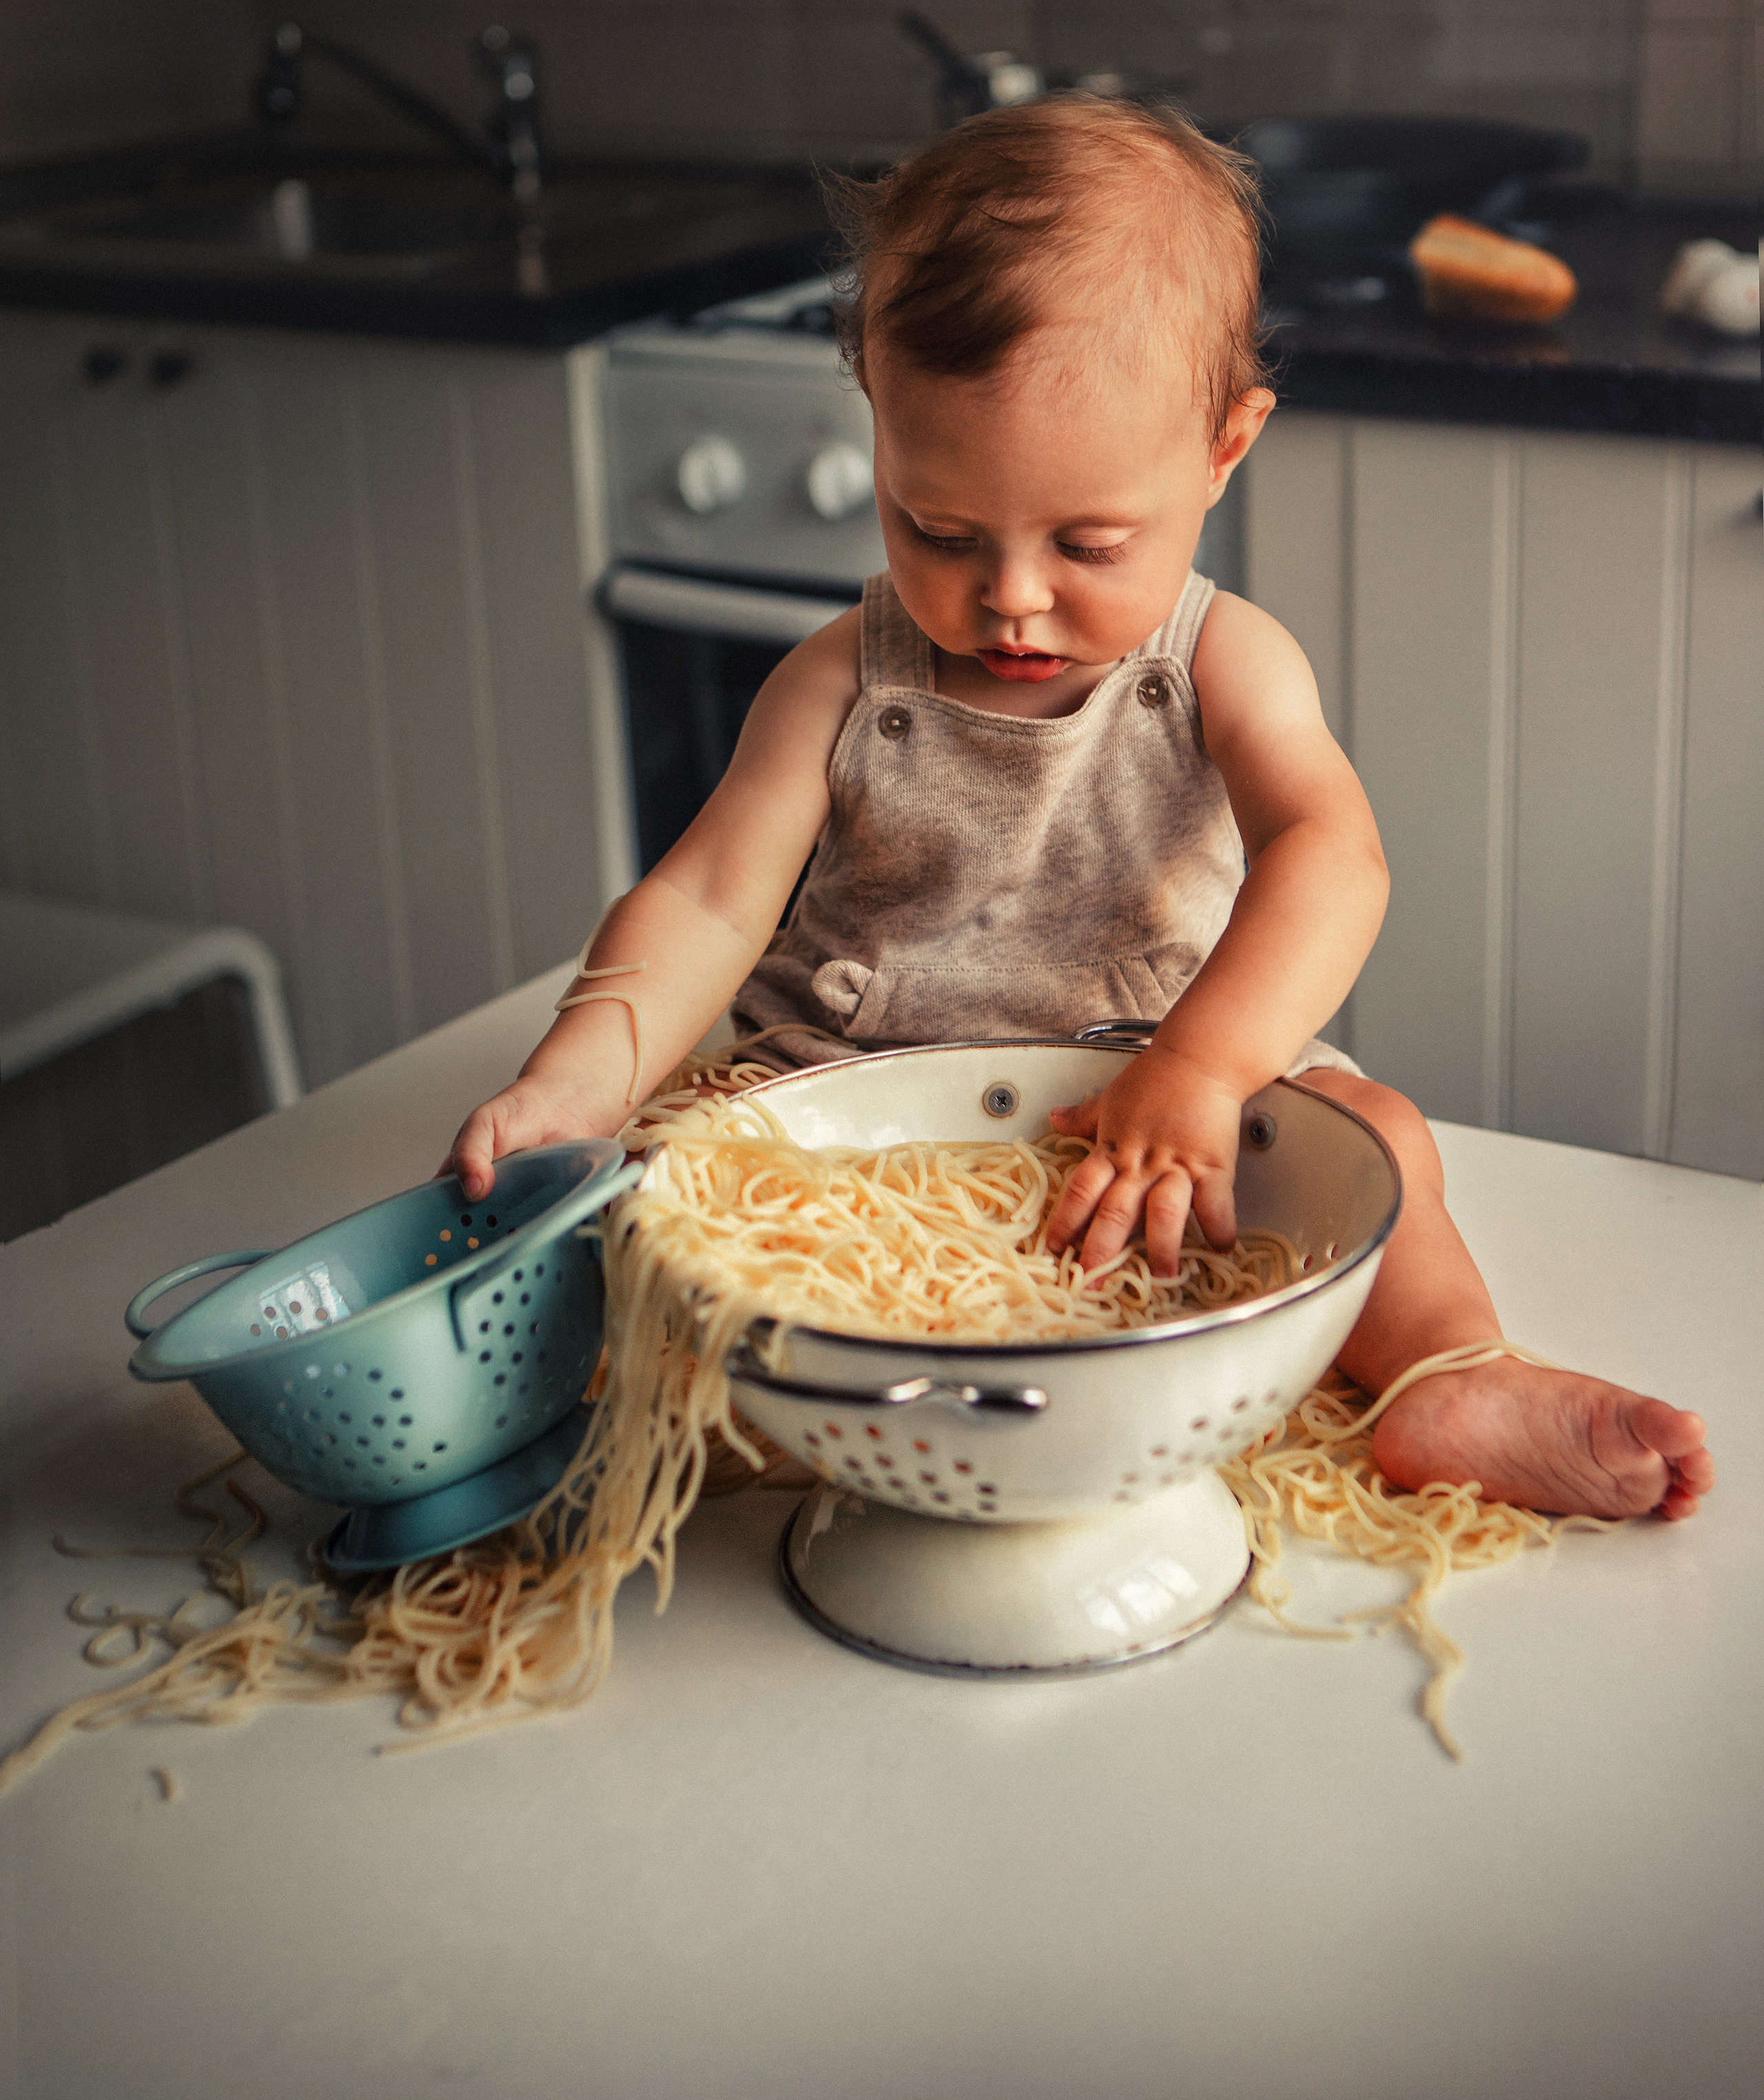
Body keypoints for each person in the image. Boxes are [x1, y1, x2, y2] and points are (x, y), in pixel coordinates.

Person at [447, 97, 1712, 1524]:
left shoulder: (1223, 664)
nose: (1011, 597)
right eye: (936, 529)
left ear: (1225, 447)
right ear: (872, 405)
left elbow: (1330, 855)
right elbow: (704, 899)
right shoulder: (832, 682)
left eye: (1088, 543)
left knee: (1384, 1136)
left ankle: (1444, 1374)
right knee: (654, 1193)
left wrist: (1204, 1065)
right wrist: (580, 1072)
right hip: (871, 1127)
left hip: (1154, 1107)